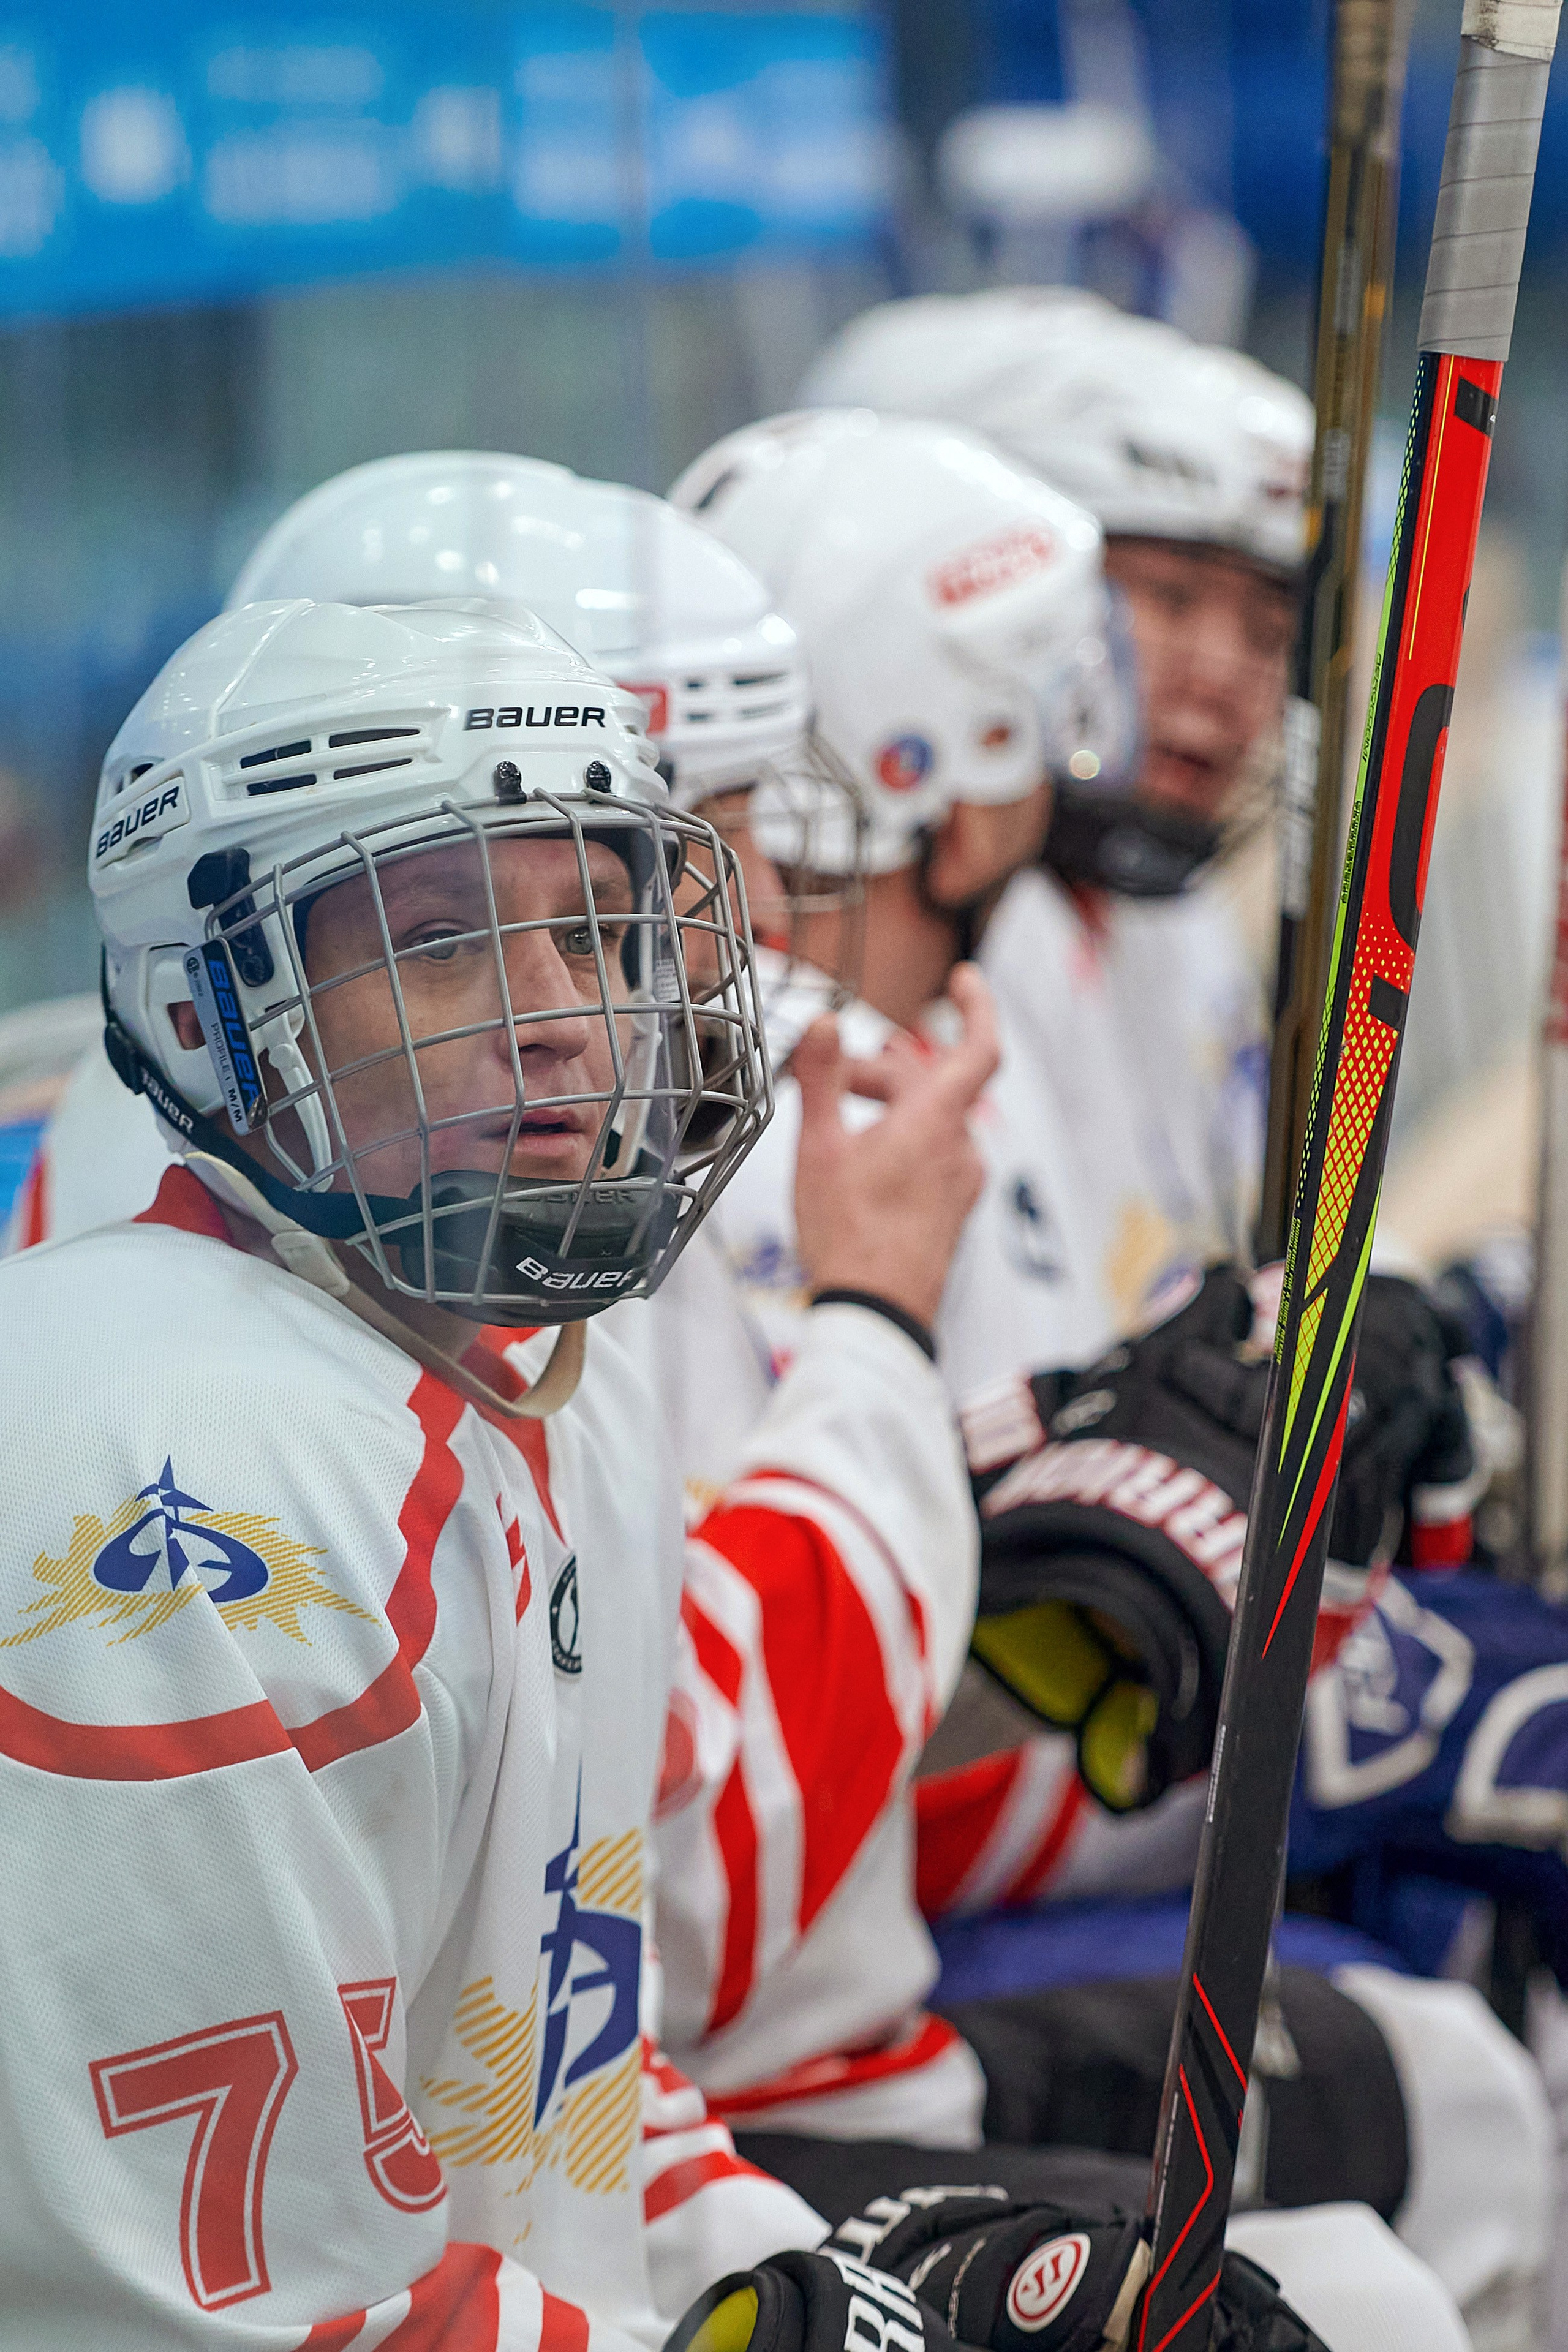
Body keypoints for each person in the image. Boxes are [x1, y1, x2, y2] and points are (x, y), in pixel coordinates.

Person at [0, 594, 1006, 2343]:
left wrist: (819, 2294)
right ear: (207, 1009)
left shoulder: (549, 1383)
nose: (561, 1019)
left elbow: (548, 2095)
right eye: (443, 942)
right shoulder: (169, 1506)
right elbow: (232, 2323)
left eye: (595, 929)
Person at [669, 403, 1555, 2350]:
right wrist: (1335, 1698)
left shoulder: (914, 1044)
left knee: (1467, 2123)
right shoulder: (774, 1133)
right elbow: (825, 1759)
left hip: (829, 2005)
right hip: (775, 2056)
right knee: (1421, 2210)